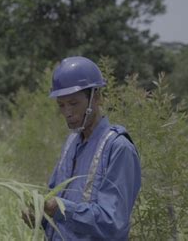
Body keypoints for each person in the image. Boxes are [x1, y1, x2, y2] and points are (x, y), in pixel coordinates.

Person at [42, 56, 141, 240]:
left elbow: (113, 223)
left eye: (73, 103)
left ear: (96, 98)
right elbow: (53, 194)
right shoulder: (71, 143)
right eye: (61, 105)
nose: (67, 113)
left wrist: (61, 209)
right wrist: (39, 214)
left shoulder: (118, 148)